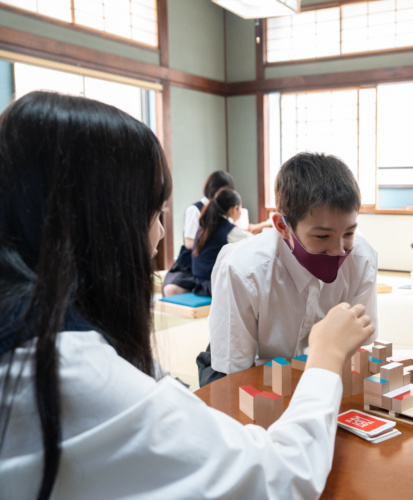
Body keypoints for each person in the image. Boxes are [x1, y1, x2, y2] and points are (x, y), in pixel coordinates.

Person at [0, 91, 375, 499]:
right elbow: (278, 478)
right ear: (101, 226)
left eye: (349, 234)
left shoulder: (44, 334)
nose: (159, 234)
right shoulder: (69, 371)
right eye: (153, 215)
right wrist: (325, 355)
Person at [200, 152, 378, 386]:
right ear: (283, 227)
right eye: (322, 236)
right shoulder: (242, 270)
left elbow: (360, 348)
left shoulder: (362, 258)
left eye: (349, 233)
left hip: (320, 368)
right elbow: (234, 372)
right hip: (251, 368)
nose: (338, 250)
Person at [162, 170, 234, 296]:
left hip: (213, 262)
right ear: (213, 189)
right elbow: (189, 243)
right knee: (171, 290)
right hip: (190, 262)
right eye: (224, 190)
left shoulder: (226, 213)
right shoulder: (195, 209)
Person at [191, 188, 251, 296]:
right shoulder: (229, 230)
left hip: (199, 283)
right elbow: (254, 243)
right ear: (234, 209)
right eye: (240, 209)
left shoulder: (205, 226)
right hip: (213, 286)